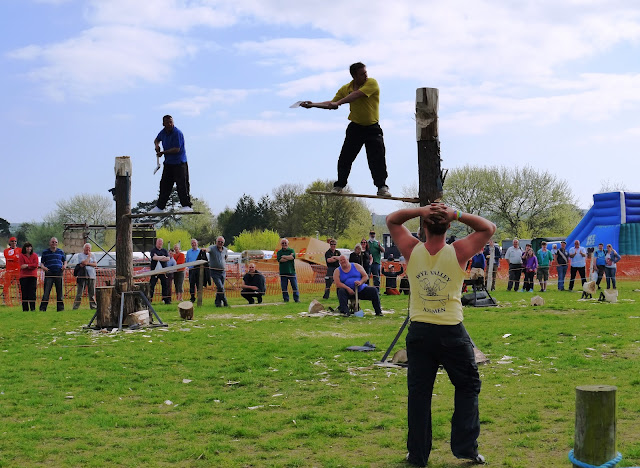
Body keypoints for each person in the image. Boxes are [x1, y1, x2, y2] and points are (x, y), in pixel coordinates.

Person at [386, 203, 494, 467]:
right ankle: (467, 448)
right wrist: (456, 214)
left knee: (419, 394)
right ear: (448, 227)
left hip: (420, 331)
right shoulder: (458, 251)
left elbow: (392, 220)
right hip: (451, 332)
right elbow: (488, 228)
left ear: (423, 227)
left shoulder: (412, 249)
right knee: (467, 387)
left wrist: (421, 210)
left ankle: (417, 455)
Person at [300, 62, 391, 197]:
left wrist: (338, 103)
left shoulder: (371, 83)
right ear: (354, 76)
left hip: (372, 128)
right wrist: (313, 104)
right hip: (355, 128)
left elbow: (356, 95)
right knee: (345, 158)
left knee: (377, 158)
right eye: (362, 74)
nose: (366, 76)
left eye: (366, 72)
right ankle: (339, 185)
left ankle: (382, 187)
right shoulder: (345, 88)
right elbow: (331, 103)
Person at [150, 115, 193, 213]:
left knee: (182, 185)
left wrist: (163, 153)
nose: (170, 124)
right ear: (163, 124)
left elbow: (176, 149)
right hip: (169, 163)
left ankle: (186, 206)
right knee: (164, 185)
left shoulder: (177, 133)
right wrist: (157, 146)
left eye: (171, 122)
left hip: (179, 163)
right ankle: (160, 207)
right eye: (167, 122)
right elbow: (157, 139)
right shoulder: (163, 132)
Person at [39, 237, 67, 311]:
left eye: (55, 242)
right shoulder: (45, 252)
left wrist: (64, 266)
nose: (54, 243)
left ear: (57, 243)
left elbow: (65, 261)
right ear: (50, 243)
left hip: (58, 272)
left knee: (60, 292)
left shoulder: (61, 251)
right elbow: (41, 263)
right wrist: (43, 268)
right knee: (46, 292)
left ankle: (60, 309)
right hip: (49, 273)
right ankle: (43, 308)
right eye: (52, 242)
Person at [72, 243, 97, 310]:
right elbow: (84, 263)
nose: (88, 249)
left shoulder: (93, 255)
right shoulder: (80, 255)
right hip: (82, 276)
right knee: (79, 293)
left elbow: (95, 264)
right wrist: (88, 257)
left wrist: (87, 263)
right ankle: (75, 307)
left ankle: (93, 307)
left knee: (92, 293)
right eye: (86, 248)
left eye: (89, 248)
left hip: (92, 276)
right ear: (84, 248)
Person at [277, 238, 299, 303]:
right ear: (281, 244)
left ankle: (296, 299)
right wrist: (288, 257)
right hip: (283, 272)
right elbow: (280, 260)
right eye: (282, 243)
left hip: (291, 271)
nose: (284, 244)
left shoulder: (291, 250)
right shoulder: (279, 252)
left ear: (288, 243)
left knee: (294, 286)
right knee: (284, 287)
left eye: (285, 243)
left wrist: (283, 256)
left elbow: (292, 257)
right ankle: (286, 299)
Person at [209, 236, 229, 307]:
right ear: (216, 242)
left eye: (222, 242)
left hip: (222, 271)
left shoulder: (225, 250)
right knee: (220, 287)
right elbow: (208, 250)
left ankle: (217, 303)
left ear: (223, 243)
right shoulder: (212, 248)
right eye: (219, 241)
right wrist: (204, 250)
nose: (220, 243)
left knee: (220, 288)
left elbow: (226, 257)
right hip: (214, 271)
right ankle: (225, 301)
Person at [18, 242, 39, 311]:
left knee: (32, 293)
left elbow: (35, 265)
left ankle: (33, 308)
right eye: (27, 247)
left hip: (33, 276)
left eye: (30, 247)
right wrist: (31, 265)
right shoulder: (21, 255)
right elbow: (21, 265)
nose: (29, 248)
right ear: (25, 248)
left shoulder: (35, 255)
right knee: (24, 293)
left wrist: (27, 265)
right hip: (23, 276)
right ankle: (25, 309)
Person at [149, 238, 170, 304]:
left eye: (161, 242)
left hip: (163, 271)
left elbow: (168, 258)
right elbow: (154, 258)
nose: (160, 243)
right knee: (152, 285)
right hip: (154, 271)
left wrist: (158, 257)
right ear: (156, 243)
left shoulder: (165, 250)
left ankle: (165, 299)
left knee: (165, 285)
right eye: (159, 242)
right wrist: (163, 257)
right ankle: (150, 299)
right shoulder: (153, 250)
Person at [3, 236, 21, 305]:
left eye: (15, 241)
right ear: (9, 242)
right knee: (6, 285)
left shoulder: (20, 250)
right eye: (12, 241)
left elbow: (21, 258)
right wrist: (15, 257)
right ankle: (5, 300)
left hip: (18, 270)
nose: (14, 242)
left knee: (20, 285)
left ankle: (20, 299)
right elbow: (8, 258)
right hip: (9, 271)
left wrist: (14, 258)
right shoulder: (6, 251)